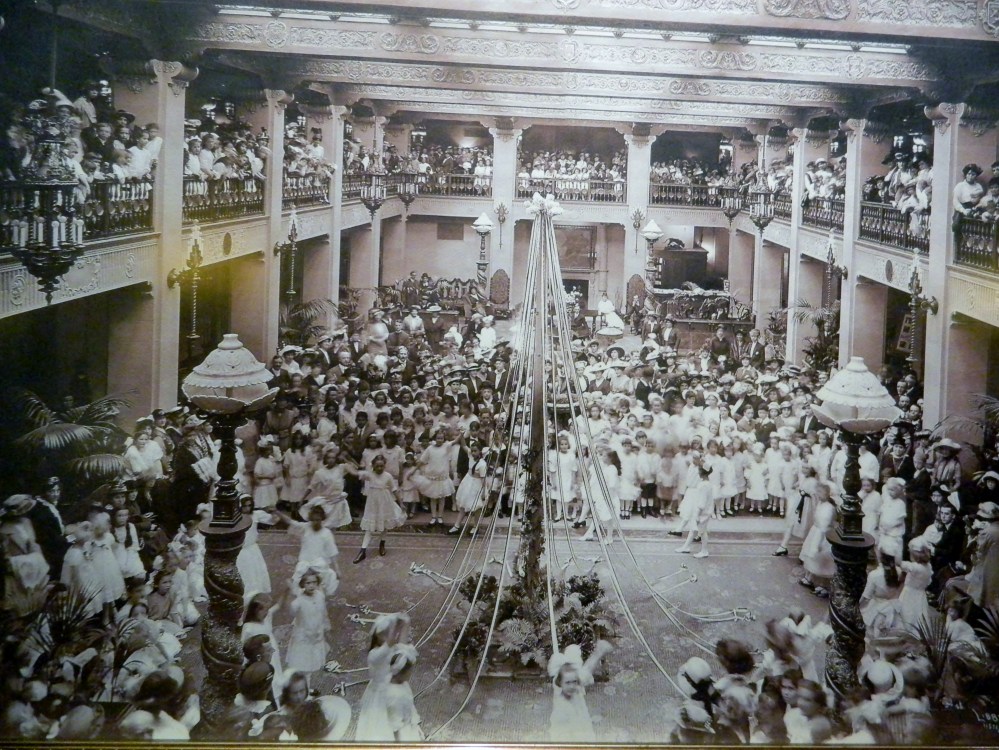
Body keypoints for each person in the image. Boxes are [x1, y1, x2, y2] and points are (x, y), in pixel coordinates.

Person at [355, 612, 412, 742]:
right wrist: (397, 625)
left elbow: (402, 647)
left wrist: (405, 625)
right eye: (384, 633)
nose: (388, 635)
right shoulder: (374, 655)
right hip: (379, 695)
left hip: (392, 689)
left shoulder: (390, 647)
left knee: (398, 720)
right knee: (379, 727)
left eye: (389, 632)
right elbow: (391, 644)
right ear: (377, 636)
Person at [547, 641, 613, 742]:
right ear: (560, 683)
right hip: (564, 731)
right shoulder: (558, 689)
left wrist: (599, 652)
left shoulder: (577, 686)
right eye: (568, 683)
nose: (572, 686)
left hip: (581, 725)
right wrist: (599, 651)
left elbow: (587, 670)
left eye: (574, 682)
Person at [353, 453, 407, 563]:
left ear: (384, 466)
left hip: (385, 502)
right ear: (372, 466)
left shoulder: (388, 476)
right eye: (377, 466)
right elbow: (357, 472)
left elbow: (394, 490)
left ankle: (382, 543)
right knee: (369, 527)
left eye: (381, 466)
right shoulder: (370, 474)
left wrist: (401, 503)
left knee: (385, 523)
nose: (379, 468)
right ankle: (362, 550)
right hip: (372, 504)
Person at [285, 568, 331, 674]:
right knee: (302, 665)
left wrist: (326, 625)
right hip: (303, 636)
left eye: (314, 582)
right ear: (302, 584)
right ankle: (302, 683)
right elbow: (291, 611)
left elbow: (323, 612)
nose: (311, 585)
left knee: (312, 663)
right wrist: (291, 593)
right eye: (308, 583)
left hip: (316, 634)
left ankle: (307, 685)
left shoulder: (320, 596)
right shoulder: (299, 601)